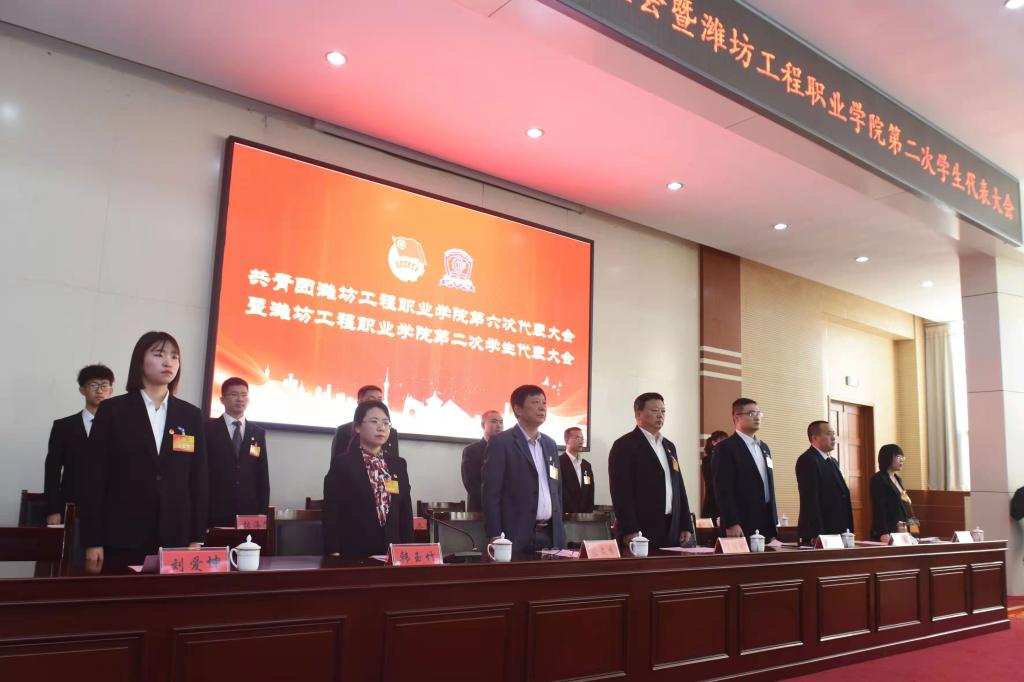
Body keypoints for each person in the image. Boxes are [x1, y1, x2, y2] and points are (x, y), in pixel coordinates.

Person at [80, 331, 208, 565]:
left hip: (176, 535)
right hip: (122, 534)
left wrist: (197, 537)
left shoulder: (191, 415)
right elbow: (94, 479)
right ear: (140, 361)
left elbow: (198, 478)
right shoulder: (113, 410)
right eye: (159, 354)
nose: (168, 362)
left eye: (174, 356)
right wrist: (92, 539)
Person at [323, 400, 413, 557]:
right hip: (354, 554)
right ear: (358, 427)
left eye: (386, 423)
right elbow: (331, 513)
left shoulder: (398, 464)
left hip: (392, 553)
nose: (381, 427)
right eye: (374, 421)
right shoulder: (343, 464)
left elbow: (405, 512)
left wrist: (408, 550)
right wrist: (333, 552)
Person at [482, 385, 565, 552]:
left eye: (544, 403)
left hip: (551, 534)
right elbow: (491, 493)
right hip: (515, 535)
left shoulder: (550, 444)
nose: (542, 407)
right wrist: (495, 535)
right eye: (535, 402)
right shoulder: (501, 442)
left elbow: (557, 489)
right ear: (518, 409)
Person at [609, 392, 693, 550]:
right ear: (638, 414)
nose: (660, 415)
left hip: (671, 528)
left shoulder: (669, 446)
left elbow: (679, 487)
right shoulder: (624, 445)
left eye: (663, 411)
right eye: (655, 411)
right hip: (641, 530)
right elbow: (620, 492)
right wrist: (629, 529)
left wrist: (685, 524)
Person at [43, 364, 115, 525]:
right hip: (72, 505)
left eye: (104, 385)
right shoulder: (63, 427)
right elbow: (52, 471)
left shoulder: (121, 427)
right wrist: (53, 509)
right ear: (82, 390)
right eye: (93, 385)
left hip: (110, 506)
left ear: (111, 391)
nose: (99, 390)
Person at [205, 377, 270, 528]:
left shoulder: (257, 432)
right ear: (222, 400)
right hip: (215, 509)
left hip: (249, 510)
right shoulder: (208, 429)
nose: (240, 399)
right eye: (234, 394)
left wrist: (262, 511)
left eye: (244, 395)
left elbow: (262, 474)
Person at [714, 398, 778, 540]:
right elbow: (722, 489)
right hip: (741, 523)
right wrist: (731, 522)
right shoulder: (725, 448)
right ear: (737, 418)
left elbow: (768, 486)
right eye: (751, 413)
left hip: (765, 522)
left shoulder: (764, 447)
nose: (757, 417)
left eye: (759, 413)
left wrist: (773, 521)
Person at [795, 421, 853, 543]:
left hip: (838, 529)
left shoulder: (832, 461)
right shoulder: (808, 460)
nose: (833, 438)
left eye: (834, 434)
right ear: (815, 438)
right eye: (829, 434)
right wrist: (817, 533)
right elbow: (810, 500)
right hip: (821, 533)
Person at [331, 384, 399, 462]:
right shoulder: (343, 430)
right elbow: (337, 462)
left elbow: (394, 460)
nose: (376, 403)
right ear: (359, 402)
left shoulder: (391, 432)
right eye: (371, 399)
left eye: (379, 400)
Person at [461, 410, 503, 512]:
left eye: (501, 422)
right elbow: (471, 484)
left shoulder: (508, 449)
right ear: (483, 425)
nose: (499, 425)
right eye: (494, 421)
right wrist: (492, 503)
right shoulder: (471, 450)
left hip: (506, 510)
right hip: (480, 510)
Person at [869, 444, 913, 542]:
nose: (902, 460)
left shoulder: (898, 479)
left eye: (902, 457)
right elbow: (879, 507)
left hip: (902, 529)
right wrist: (883, 532)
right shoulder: (879, 479)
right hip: (887, 531)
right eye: (898, 457)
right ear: (888, 458)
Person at [559, 426, 595, 514]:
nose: (581, 441)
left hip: (584, 516)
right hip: (564, 515)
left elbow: (590, 491)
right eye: (577, 438)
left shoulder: (586, 465)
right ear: (566, 440)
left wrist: (588, 514)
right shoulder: (558, 462)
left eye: (582, 439)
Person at [700, 430, 727, 520]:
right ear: (714, 442)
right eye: (722, 440)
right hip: (713, 503)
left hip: (724, 503)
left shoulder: (726, 459)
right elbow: (711, 482)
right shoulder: (707, 460)